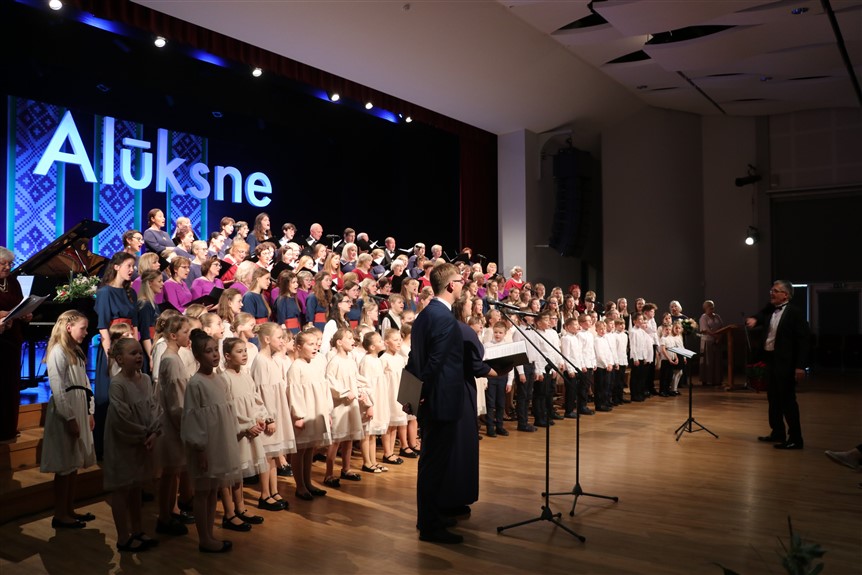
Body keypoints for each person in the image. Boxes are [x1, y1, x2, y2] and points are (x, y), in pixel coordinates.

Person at [405, 263, 473, 544]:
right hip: (440, 399)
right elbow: (434, 363)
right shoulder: (444, 318)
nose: (463, 284)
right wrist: (421, 394)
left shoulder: (425, 314)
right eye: (460, 280)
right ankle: (430, 526)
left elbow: (415, 358)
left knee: (432, 462)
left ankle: (429, 516)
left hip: (431, 398)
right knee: (433, 464)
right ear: (450, 285)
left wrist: (411, 395)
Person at [181, 329, 243, 553]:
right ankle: (204, 538)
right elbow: (193, 419)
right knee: (202, 492)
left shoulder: (219, 379)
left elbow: (226, 411)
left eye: (216, 350)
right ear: (198, 356)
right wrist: (200, 449)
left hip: (219, 442)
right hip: (205, 446)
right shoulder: (196, 384)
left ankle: (209, 535)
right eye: (209, 351)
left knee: (212, 491)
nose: (215, 355)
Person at [40, 310, 96, 529]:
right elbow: (58, 387)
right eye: (83, 328)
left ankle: (69, 509)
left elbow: (85, 383)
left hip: (79, 406)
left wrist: (89, 411)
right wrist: (70, 417)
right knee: (64, 464)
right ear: (68, 327)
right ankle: (60, 514)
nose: (86, 332)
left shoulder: (76, 351)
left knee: (73, 463)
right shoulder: (58, 352)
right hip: (67, 411)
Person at [103, 338, 160, 551]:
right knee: (122, 488)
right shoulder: (118, 384)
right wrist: (143, 433)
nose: (138, 356)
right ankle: (123, 537)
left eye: (139, 353)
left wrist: (154, 431)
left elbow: (153, 407)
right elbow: (121, 417)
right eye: (133, 353)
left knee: (137, 486)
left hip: (142, 440)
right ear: (119, 359)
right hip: (124, 441)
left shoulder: (145, 379)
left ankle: (138, 530)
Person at [746, 280, 810, 450]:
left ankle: (796, 438)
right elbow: (761, 314)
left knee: (787, 400)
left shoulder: (795, 313)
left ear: (785, 295)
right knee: (773, 398)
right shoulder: (770, 309)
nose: (771, 293)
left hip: (786, 363)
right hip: (770, 360)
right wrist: (755, 319)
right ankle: (777, 432)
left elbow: (804, 341)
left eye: (775, 291)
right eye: (771, 290)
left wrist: (800, 366)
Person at [219, 337, 267, 532]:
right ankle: (229, 513)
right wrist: (246, 426)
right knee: (229, 472)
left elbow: (255, 400)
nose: (244, 354)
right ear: (227, 356)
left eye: (245, 350)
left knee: (239, 471)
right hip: (236, 432)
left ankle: (240, 507)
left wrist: (260, 418)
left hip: (249, 430)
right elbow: (228, 409)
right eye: (239, 351)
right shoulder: (224, 378)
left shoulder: (246, 375)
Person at [94, 252, 139, 458]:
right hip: (113, 349)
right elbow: (103, 327)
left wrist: (135, 349)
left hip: (129, 347)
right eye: (128, 265)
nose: (132, 270)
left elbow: (135, 324)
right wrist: (111, 356)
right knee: (109, 397)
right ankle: (105, 447)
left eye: (133, 266)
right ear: (116, 266)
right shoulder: (105, 292)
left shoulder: (131, 293)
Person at [286, 328, 333, 500]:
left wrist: (327, 411)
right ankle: (300, 486)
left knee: (309, 449)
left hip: (316, 410)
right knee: (300, 450)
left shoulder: (316, 363)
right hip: (304, 413)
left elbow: (324, 388)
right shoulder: (296, 367)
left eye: (315, 344)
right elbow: (294, 393)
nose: (315, 347)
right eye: (310, 344)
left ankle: (308, 483)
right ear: (299, 347)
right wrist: (298, 415)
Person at [0, 246, 32, 441]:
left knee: (10, 385)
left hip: (12, 338)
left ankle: (8, 428)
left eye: (10, 264)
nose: (7, 267)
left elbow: (19, 303)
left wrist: (25, 313)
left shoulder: (12, 281)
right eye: (3, 263)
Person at [699, 300, 725, 387]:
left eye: (712, 306)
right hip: (708, 340)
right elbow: (705, 329)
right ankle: (707, 380)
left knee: (717, 360)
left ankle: (717, 380)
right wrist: (715, 336)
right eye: (709, 306)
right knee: (708, 360)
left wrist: (719, 337)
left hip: (717, 340)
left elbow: (722, 327)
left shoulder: (717, 316)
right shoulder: (703, 317)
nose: (711, 308)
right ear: (705, 308)